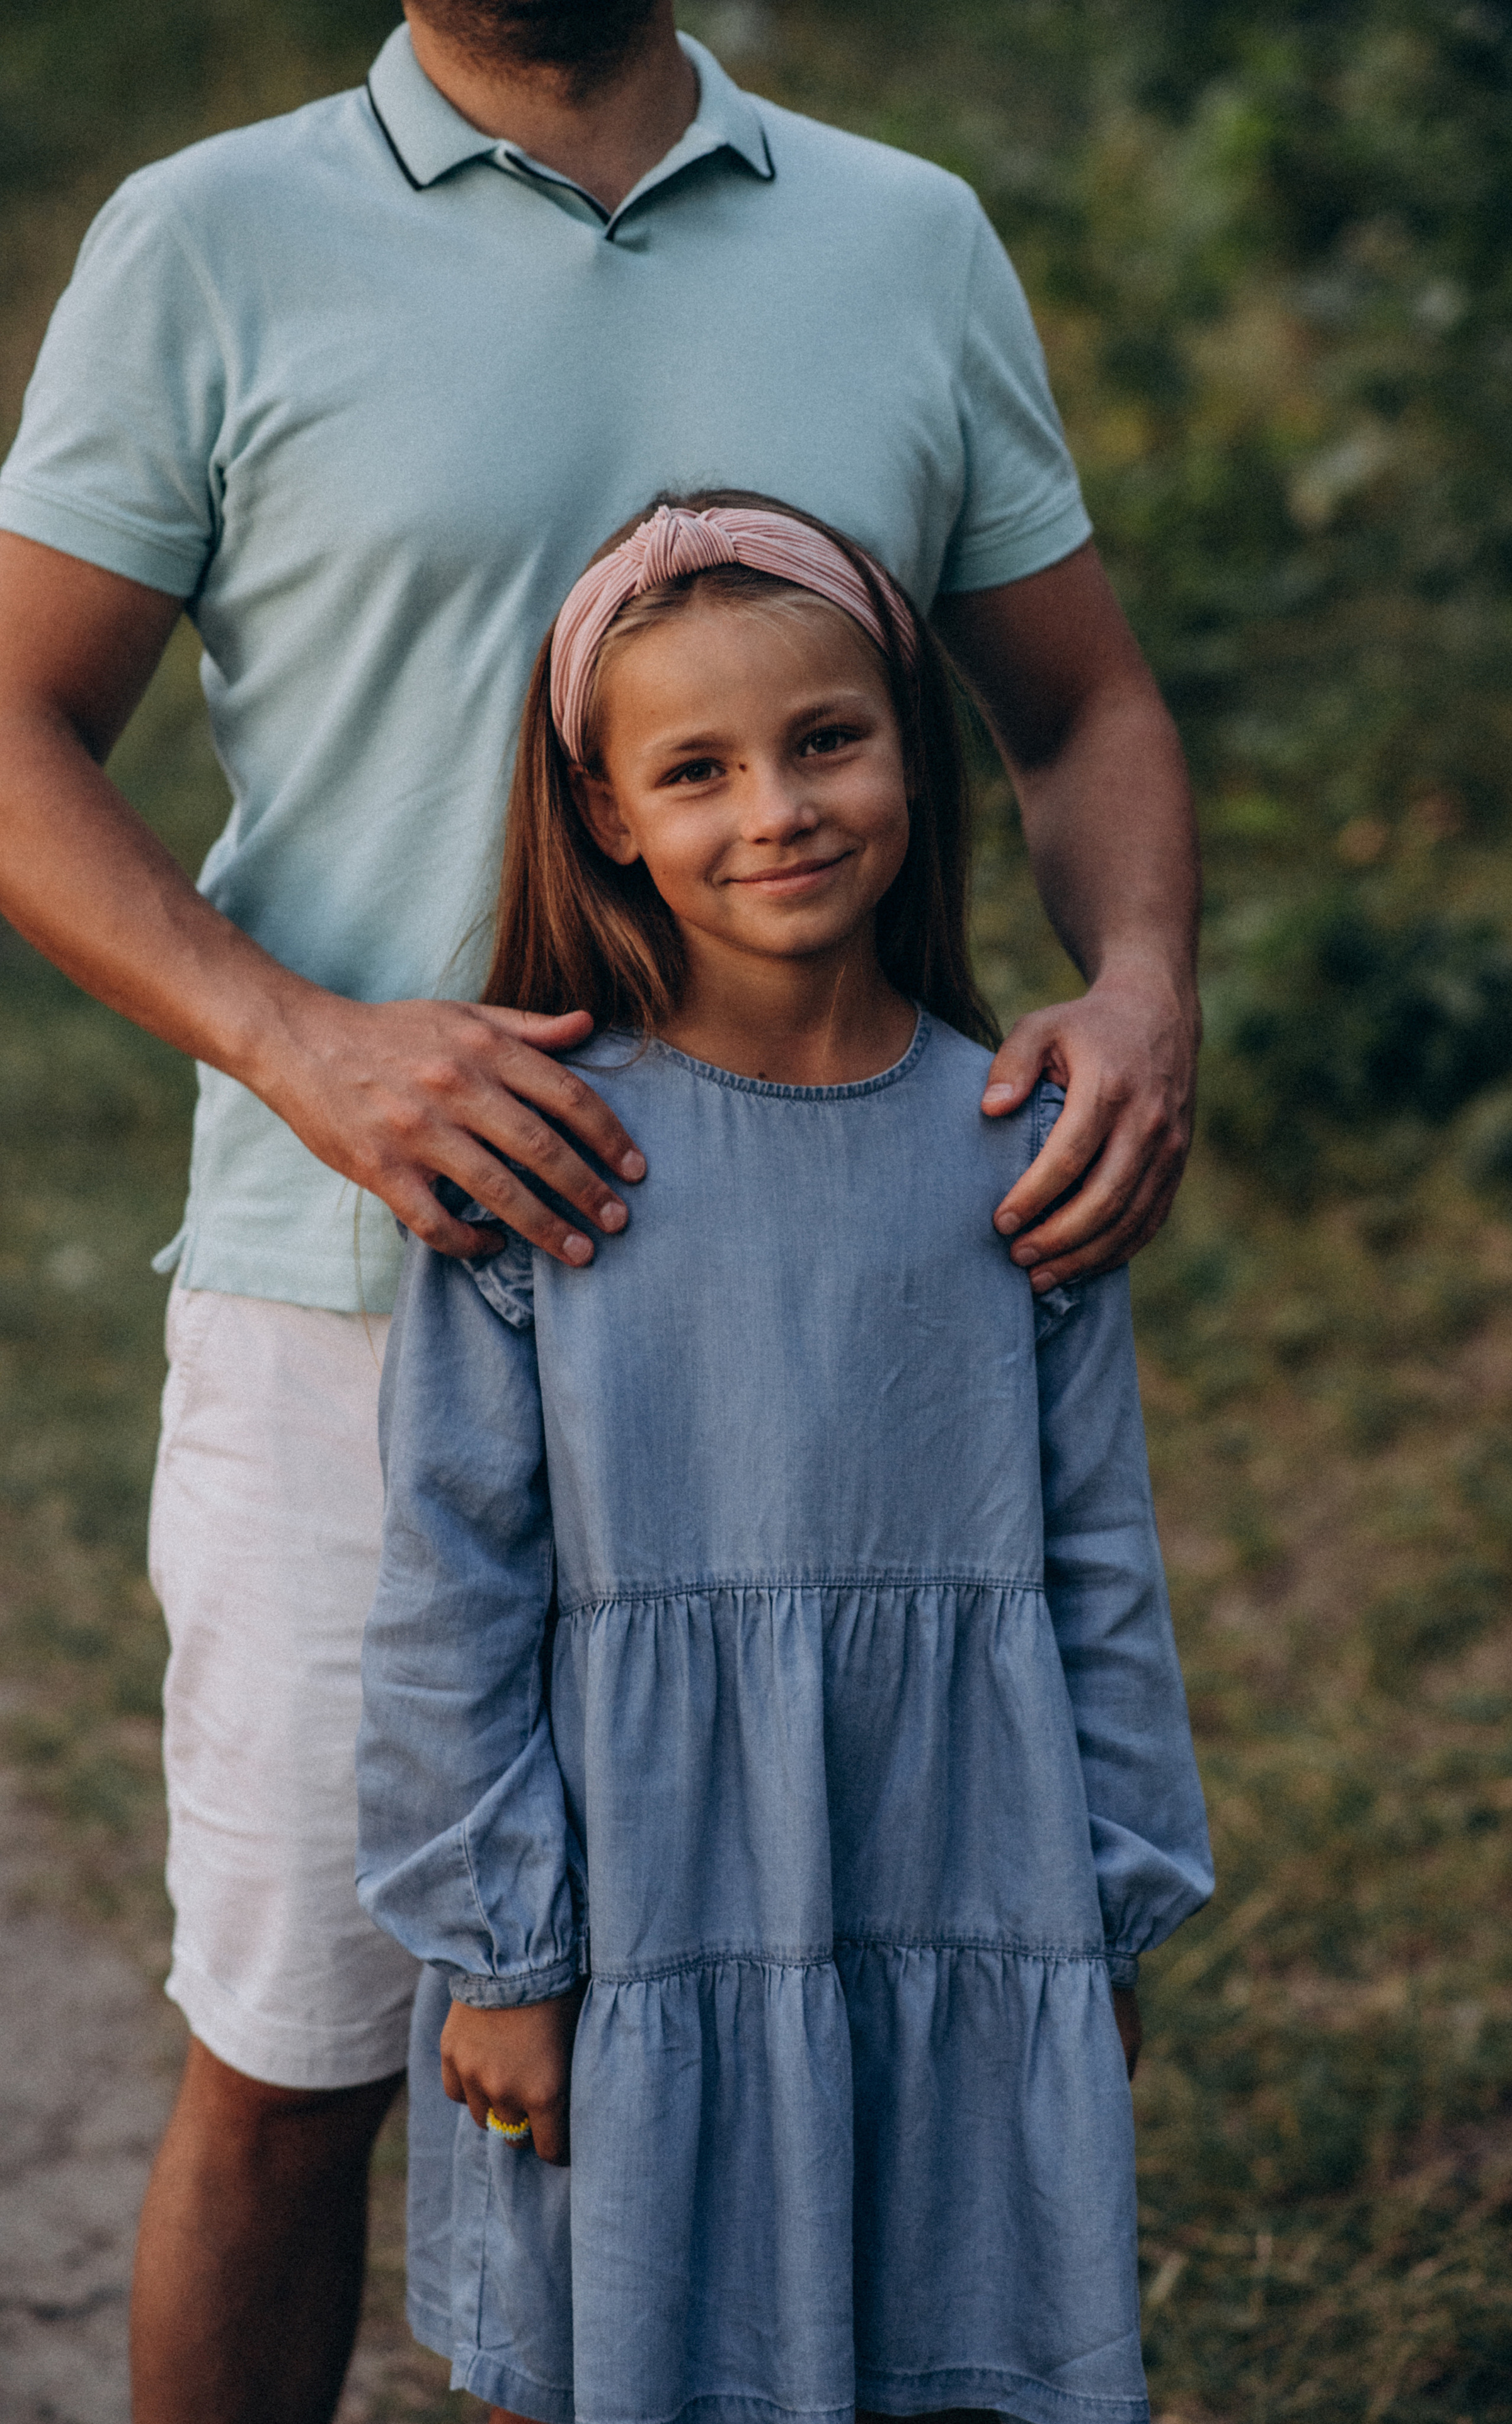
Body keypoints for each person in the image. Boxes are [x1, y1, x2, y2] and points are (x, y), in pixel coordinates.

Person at [0, 5, 1199, 2418]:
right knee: (301, 2060)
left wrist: (1147, 980)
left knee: (848, 2032)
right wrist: (296, 1037)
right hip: (352, 1317)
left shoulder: (902, 235)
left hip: (835, 1328)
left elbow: (1081, 712)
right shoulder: (209, 241)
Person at [355, 493, 1213, 2424]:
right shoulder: (545, 1164)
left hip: (960, 1863)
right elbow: (451, 1583)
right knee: (637, 2354)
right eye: (698, 769)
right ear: (606, 816)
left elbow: (1097, 1556)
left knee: (946, 2339)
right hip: (644, 1906)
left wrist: (1107, 1902)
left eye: (828, 739)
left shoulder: (1018, 1145)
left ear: (911, 740)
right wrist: (503, 1952)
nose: (778, 809)